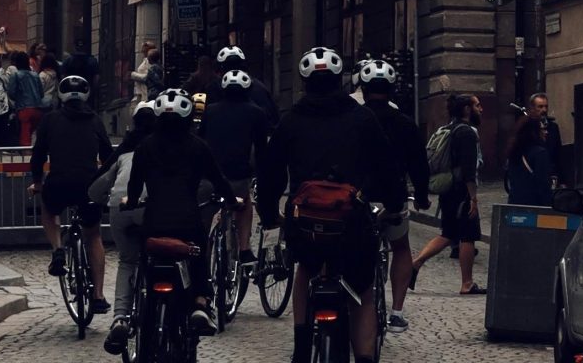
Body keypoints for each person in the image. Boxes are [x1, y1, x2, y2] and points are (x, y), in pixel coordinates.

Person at [260, 46, 385, 363]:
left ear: (304, 84)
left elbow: (271, 172)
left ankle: (301, 347)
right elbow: (386, 166)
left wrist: (269, 213)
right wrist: (390, 201)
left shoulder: (291, 122)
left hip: (306, 225)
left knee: (305, 268)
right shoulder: (362, 117)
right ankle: (366, 358)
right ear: (340, 81)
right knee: (364, 290)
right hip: (352, 223)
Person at [106, 87, 229, 352]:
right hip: (187, 221)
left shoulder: (145, 147)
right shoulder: (198, 146)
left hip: (155, 222)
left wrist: (131, 200)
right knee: (198, 255)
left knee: (142, 261)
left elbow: (135, 187)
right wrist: (233, 201)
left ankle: (135, 312)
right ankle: (200, 304)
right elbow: (219, 180)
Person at [31, 71, 115, 317]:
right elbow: (108, 156)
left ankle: (57, 249)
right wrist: (105, 182)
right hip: (88, 184)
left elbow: (38, 156)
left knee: (49, 211)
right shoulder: (95, 120)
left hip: (58, 181)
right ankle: (98, 296)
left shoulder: (50, 120)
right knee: (94, 235)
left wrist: (37, 182)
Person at [354, 59, 427, 325]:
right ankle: (396, 312)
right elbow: (419, 163)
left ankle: (351, 299)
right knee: (400, 247)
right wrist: (421, 195)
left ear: (363, 87)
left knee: (350, 246)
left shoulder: (355, 118)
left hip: (359, 196)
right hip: (392, 197)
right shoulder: (405, 123)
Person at [199, 62, 274, 278]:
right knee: (244, 205)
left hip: (210, 175)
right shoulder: (256, 113)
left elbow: (201, 140)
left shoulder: (210, 111)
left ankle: (202, 250)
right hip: (238, 175)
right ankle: (244, 249)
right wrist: (261, 175)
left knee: (206, 211)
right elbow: (260, 150)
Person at [412, 96, 483, 297]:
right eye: (477, 105)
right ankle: (467, 283)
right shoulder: (467, 133)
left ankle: (415, 263)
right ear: (467, 109)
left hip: (449, 189)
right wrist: (473, 198)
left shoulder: (450, 129)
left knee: (448, 233)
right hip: (461, 191)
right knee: (468, 235)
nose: (481, 109)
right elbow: (469, 169)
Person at [503, 97, 562, 206]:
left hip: (516, 202)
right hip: (534, 204)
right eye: (542, 129)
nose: (545, 132)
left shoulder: (515, 151)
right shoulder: (539, 153)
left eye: (546, 106)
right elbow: (543, 185)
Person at [10, 47, 47, 144]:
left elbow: (11, 92)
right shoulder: (35, 75)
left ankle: (26, 155)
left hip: (24, 108)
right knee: (33, 133)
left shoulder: (16, 75)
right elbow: (41, 93)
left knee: (25, 134)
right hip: (38, 107)